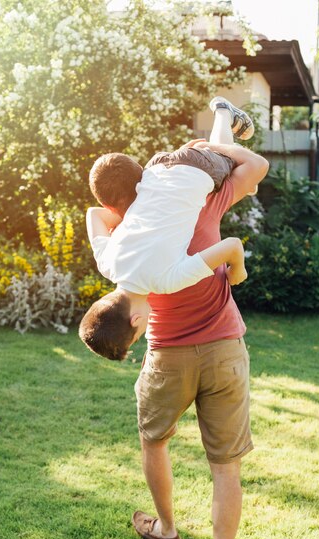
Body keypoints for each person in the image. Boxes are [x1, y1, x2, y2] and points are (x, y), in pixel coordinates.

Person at [79, 98, 268, 360]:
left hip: (198, 171)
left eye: (137, 337)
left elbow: (233, 245)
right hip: (155, 169)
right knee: (237, 176)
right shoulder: (107, 262)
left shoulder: (166, 281)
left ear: (136, 320)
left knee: (229, 159)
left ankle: (224, 112)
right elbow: (95, 214)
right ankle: (243, 180)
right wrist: (131, 222)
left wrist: (238, 270)